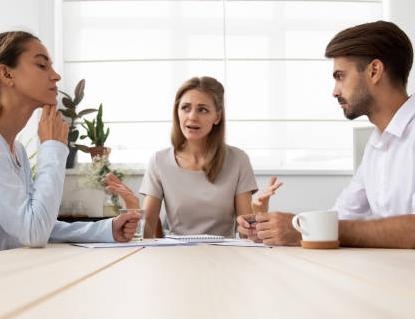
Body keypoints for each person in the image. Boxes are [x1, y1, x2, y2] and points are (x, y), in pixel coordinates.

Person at [238, 21, 415, 258]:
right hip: (411, 280)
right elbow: (339, 218)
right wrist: (273, 228)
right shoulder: (377, 145)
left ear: (374, 71)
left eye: (340, 76)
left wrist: (304, 229)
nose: (334, 91)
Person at [0, 31, 140, 263]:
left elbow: (36, 222)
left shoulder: (15, 150)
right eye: (42, 65)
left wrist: (106, 229)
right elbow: (33, 232)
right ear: (7, 74)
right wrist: (52, 147)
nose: (56, 76)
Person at [103, 76, 282, 238]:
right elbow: (148, 233)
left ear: (217, 117)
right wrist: (133, 206)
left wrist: (259, 213)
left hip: (226, 257)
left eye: (202, 110)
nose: (192, 117)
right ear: (177, 112)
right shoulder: (159, 161)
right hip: (175, 256)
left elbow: (245, 236)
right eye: (185, 108)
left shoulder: (238, 159)